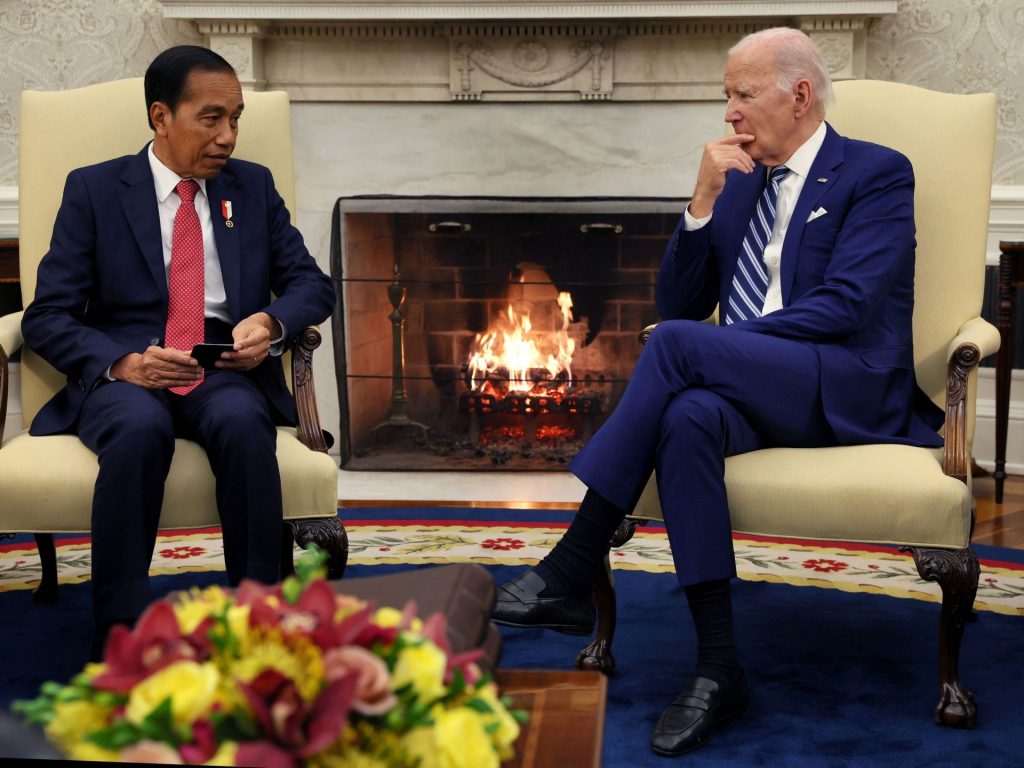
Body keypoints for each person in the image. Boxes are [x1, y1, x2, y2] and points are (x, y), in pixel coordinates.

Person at [491, 27, 944, 757]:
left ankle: (573, 561)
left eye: (743, 94)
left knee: (678, 347)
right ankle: (718, 666)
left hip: (843, 386)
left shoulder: (876, 172)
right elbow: (679, 302)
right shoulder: (736, 181)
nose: (729, 113)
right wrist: (701, 202)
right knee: (689, 416)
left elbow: (847, 306)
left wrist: (725, 347)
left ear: (799, 95)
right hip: (750, 388)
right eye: (726, 96)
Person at [21, 45, 336, 660]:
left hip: (219, 367)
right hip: (127, 371)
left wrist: (270, 322)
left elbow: (311, 284)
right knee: (138, 431)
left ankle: (261, 627)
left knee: (243, 422)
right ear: (160, 116)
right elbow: (46, 316)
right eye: (211, 118)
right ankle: (120, 639)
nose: (228, 137)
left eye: (236, 119)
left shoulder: (251, 187)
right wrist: (122, 363)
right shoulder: (94, 190)